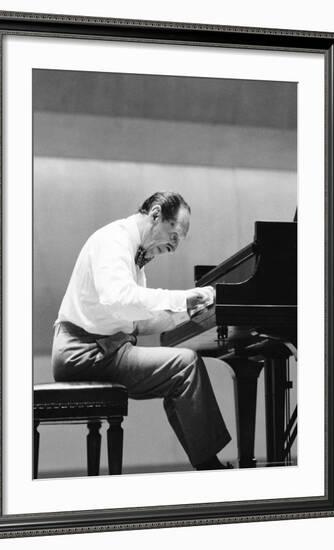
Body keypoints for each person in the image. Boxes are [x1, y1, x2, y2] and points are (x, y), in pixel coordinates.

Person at [51, 191, 231, 470]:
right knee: (185, 364)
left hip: (104, 350)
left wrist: (189, 312)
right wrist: (180, 297)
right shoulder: (113, 240)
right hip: (84, 353)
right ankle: (209, 467)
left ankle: (207, 464)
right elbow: (119, 298)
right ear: (156, 214)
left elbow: (137, 322)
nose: (175, 247)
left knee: (181, 368)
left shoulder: (133, 255)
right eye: (174, 236)